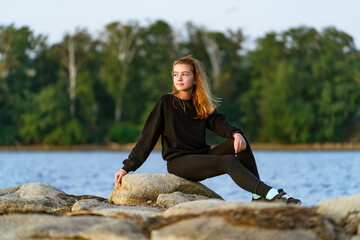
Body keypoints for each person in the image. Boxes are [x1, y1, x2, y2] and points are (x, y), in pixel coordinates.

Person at [114, 55, 301, 205]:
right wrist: (127, 167)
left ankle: (257, 195)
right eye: (175, 74)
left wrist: (236, 133)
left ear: (195, 79)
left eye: (184, 74)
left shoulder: (200, 104)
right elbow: (147, 138)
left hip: (201, 156)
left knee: (240, 143)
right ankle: (269, 193)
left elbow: (220, 123)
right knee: (229, 161)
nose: (179, 78)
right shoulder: (165, 102)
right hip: (179, 163)